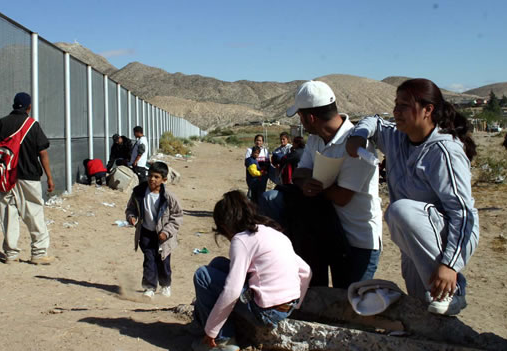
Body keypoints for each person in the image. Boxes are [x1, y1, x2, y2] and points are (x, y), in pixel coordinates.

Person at [345, 78, 479, 316]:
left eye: (404, 105)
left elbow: (464, 215)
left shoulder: (444, 152)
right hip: (414, 243)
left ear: (428, 110)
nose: (397, 111)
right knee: (424, 307)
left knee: (400, 210)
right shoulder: (398, 138)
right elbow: (375, 121)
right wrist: (360, 134)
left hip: (446, 239)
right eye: (396, 104)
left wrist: (450, 266)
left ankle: (454, 290)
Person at [259, 80, 382, 288]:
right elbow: (300, 173)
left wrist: (316, 186)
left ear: (311, 118)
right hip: (325, 232)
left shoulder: (359, 145)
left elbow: (343, 198)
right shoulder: (316, 139)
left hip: (358, 242)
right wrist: (308, 182)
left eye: (301, 117)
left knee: (349, 305)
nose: (302, 123)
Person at [191, 191, 311, 351]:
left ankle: (222, 341)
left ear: (225, 226)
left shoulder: (241, 240)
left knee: (202, 275)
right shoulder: (273, 233)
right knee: (218, 264)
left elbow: (232, 291)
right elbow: (305, 270)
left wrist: (211, 331)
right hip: (287, 306)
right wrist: (295, 305)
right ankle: (216, 326)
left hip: (265, 312)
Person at [0, 92, 54, 265]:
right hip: (29, 176)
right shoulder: (32, 125)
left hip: (6, 176)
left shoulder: (2, 123)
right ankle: (38, 253)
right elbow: (43, 152)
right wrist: (49, 177)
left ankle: (10, 254)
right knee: (34, 213)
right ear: (29, 107)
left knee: (8, 214)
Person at [125, 162, 183, 298]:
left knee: (163, 262)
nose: (152, 179)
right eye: (150, 176)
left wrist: (166, 232)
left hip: (164, 237)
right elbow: (130, 208)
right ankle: (149, 288)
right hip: (146, 233)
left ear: (164, 180)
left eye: (156, 177)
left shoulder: (168, 197)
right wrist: (131, 217)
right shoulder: (139, 192)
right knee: (149, 260)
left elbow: (177, 216)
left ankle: (165, 285)